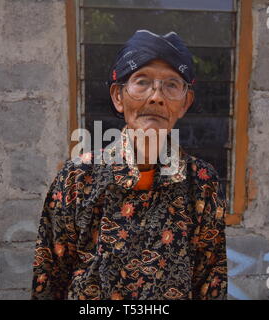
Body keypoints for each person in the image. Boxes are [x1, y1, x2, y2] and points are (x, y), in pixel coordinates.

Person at [31, 30, 227, 300]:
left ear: (185, 103)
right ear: (118, 97)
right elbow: (49, 278)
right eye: (142, 81)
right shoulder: (78, 178)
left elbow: (210, 281)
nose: (156, 97)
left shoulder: (203, 183)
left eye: (172, 85)